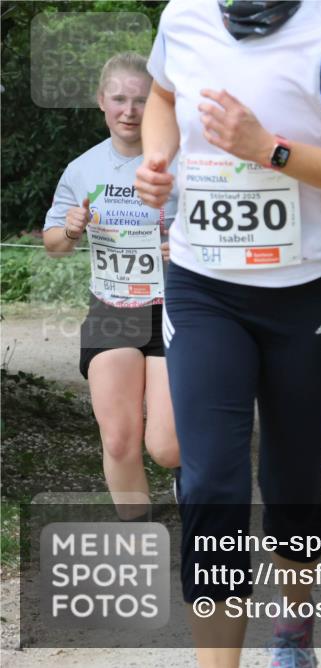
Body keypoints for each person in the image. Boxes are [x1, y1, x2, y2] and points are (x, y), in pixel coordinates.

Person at [135, 1, 321, 666]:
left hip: (306, 295)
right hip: (203, 285)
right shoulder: (183, 16)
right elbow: (162, 96)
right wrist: (159, 158)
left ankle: (294, 629)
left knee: (291, 482)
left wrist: (267, 149)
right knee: (213, 483)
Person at [42, 52, 179, 521]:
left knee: (167, 446)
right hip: (111, 309)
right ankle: (138, 532)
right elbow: (53, 242)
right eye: (119, 99)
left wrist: (182, 247)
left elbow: (218, 238)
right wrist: (71, 228)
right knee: (119, 436)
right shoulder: (82, 169)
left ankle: (185, 477)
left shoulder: (180, 163)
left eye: (141, 100)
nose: (129, 110)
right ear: (101, 102)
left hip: (174, 309)